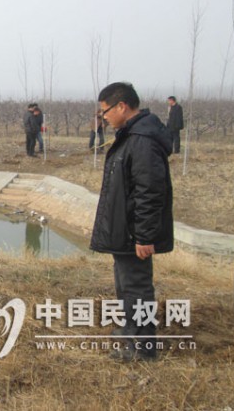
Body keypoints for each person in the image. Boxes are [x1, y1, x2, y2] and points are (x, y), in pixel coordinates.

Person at [90, 82, 173, 362]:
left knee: (137, 288)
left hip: (134, 233)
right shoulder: (131, 136)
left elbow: (150, 192)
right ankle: (130, 331)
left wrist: (144, 236)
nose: (104, 117)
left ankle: (143, 348)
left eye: (106, 112)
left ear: (122, 106)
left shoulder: (142, 141)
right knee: (126, 285)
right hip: (124, 231)